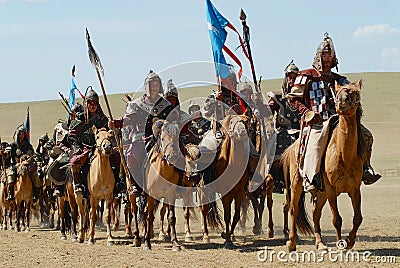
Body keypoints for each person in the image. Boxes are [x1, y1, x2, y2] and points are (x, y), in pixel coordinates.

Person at [287, 33, 381, 196]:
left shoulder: (340, 80)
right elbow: (293, 99)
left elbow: (351, 95)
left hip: (339, 120)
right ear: (318, 56)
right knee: (316, 145)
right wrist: (307, 112)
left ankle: (365, 169)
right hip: (317, 121)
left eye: (330, 54)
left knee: (366, 135)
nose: (328, 58)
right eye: (325, 54)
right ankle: (312, 177)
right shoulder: (306, 75)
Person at [109, 70, 174, 195]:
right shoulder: (138, 104)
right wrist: (116, 123)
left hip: (162, 136)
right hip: (142, 137)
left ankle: (184, 180)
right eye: (152, 84)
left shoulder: (165, 104)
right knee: (133, 154)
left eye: (157, 84)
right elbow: (129, 120)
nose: (155, 86)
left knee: (176, 150)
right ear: (147, 86)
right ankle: (135, 184)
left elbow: (173, 118)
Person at [68, 88, 109, 197]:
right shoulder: (79, 118)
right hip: (85, 148)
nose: (92, 105)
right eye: (90, 103)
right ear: (86, 104)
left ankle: (119, 184)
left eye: (94, 103)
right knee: (74, 162)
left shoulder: (102, 118)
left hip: (100, 147)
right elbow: (71, 134)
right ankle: (78, 185)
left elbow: (108, 130)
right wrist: (77, 147)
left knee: (116, 158)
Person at [6, 125, 41, 201]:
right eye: (20, 134)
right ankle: (11, 193)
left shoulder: (28, 146)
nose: (21, 135)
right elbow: (8, 158)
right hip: (15, 165)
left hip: (26, 165)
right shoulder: (13, 145)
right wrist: (9, 164)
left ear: (25, 135)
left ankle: (36, 194)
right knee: (10, 176)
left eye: (22, 134)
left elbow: (30, 155)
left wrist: (26, 158)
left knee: (35, 176)